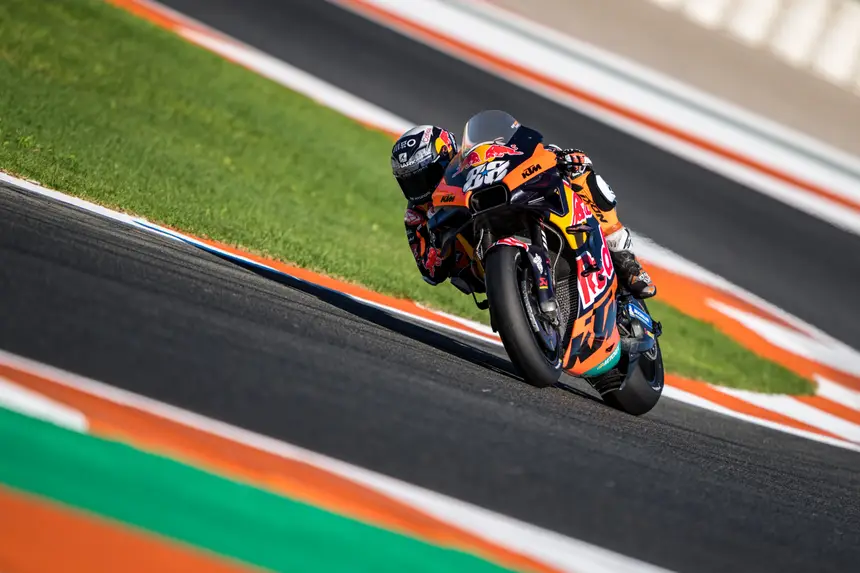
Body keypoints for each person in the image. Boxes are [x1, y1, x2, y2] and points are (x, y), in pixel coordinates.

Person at [390, 121, 657, 300]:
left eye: (426, 175)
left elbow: (521, 153)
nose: (420, 188)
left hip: (508, 205)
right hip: (479, 268)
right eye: (411, 182)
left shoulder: (472, 159)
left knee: (579, 173)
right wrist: (441, 247)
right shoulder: (417, 216)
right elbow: (430, 273)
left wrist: (559, 157)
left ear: (447, 155)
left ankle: (622, 255)